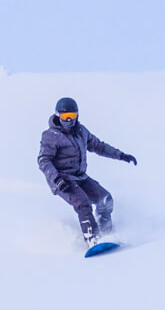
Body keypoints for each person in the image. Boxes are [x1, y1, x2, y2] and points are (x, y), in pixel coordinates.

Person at [37, 97, 137, 245]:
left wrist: (121, 155)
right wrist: (56, 179)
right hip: (62, 180)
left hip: (80, 177)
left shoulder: (81, 131)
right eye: (65, 117)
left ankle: (108, 234)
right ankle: (94, 240)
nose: (69, 120)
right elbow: (43, 160)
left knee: (105, 199)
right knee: (83, 203)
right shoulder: (51, 136)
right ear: (58, 116)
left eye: (72, 116)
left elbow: (99, 146)